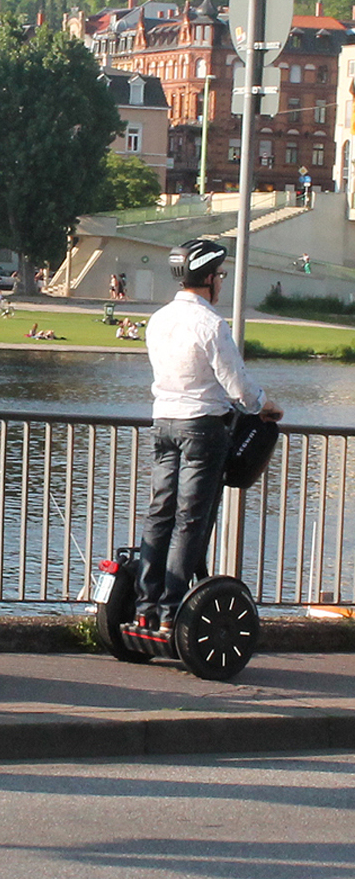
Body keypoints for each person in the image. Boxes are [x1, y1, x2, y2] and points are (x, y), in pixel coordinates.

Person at [132, 238, 282, 632]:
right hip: (202, 427)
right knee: (190, 521)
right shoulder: (211, 323)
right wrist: (264, 405)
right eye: (221, 276)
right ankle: (171, 611)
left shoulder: (159, 318)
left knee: (160, 514)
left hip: (164, 422)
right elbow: (237, 384)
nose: (221, 282)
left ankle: (145, 606)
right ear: (210, 279)